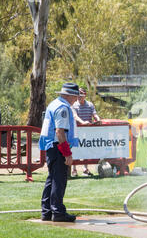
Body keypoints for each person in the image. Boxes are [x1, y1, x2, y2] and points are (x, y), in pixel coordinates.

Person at [39, 83, 80, 222]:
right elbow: (60, 131)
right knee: (59, 180)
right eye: (75, 97)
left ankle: (47, 211)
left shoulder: (53, 104)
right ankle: (58, 212)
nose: (76, 100)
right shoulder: (63, 108)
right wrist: (67, 153)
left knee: (52, 179)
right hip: (58, 147)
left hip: (51, 147)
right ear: (68, 95)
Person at [71, 88, 101, 177]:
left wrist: (98, 119)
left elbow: (94, 114)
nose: (79, 97)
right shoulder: (74, 105)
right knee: (75, 149)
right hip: (77, 131)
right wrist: (83, 122)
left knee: (86, 149)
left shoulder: (90, 105)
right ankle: (74, 170)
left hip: (88, 131)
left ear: (85, 96)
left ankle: (85, 169)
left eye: (81, 95)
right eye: (78, 95)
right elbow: (75, 116)